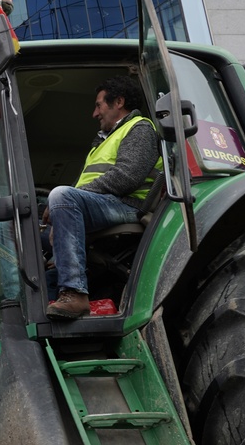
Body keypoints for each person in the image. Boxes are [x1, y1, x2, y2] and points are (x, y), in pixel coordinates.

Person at [43, 77, 161, 320]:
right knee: (22, 224)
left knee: (62, 196)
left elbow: (126, 178)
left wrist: (63, 204)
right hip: (99, 205)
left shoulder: (139, 128)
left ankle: (74, 293)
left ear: (119, 102)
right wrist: (58, 214)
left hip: (127, 206)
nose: (94, 113)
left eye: (99, 105)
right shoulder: (101, 142)